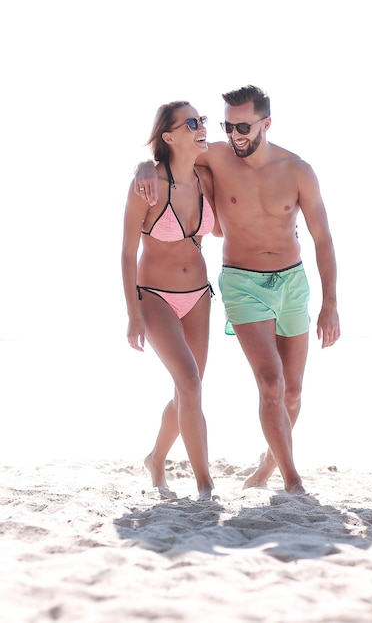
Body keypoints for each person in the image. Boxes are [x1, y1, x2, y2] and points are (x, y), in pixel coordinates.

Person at [135, 85, 340, 495]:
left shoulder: (297, 170)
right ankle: (293, 481)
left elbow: (323, 239)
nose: (233, 135)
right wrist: (143, 165)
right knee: (270, 382)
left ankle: (268, 464)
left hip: (293, 282)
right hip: (242, 282)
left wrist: (330, 303)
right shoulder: (217, 155)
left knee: (293, 393)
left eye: (243, 126)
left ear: (267, 123)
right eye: (227, 126)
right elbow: (170, 154)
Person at [122, 100, 219, 501]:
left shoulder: (207, 177)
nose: (202, 127)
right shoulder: (147, 186)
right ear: (168, 136)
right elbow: (127, 253)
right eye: (192, 122)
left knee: (187, 390)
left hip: (199, 296)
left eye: (203, 120)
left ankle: (156, 459)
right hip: (155, 297)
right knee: (191, 382)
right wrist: (132, 314)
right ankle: (205, 486)